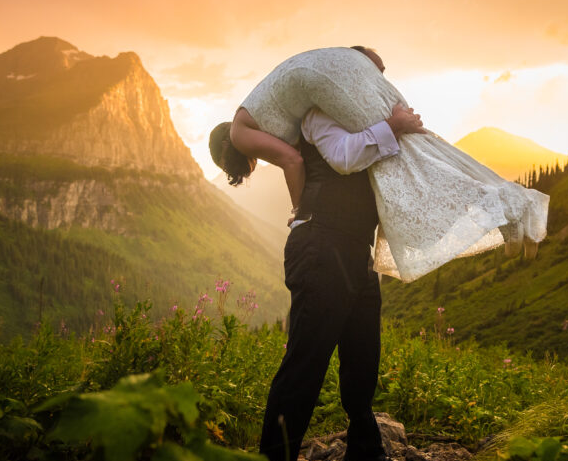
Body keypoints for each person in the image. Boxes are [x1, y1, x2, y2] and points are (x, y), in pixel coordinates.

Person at [209, 46, 549, 283]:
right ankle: (507, 209)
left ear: (227, 149)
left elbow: (292, 160)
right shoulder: (267, 110)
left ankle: (512, 208)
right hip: (340, 67)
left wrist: (300, 213)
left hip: (324, 76)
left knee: (409, 161)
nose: (252, 161)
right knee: (417, 145)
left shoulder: (239, 131)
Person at [256, 100, 423, 461]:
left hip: (354, 249)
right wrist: (393, 124)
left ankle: (364, 452)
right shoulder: (320, 111)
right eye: (372, 69)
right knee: (304, 367)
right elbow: (345, 157)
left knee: (363, 357)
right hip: (319, 246)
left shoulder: (360, 119)